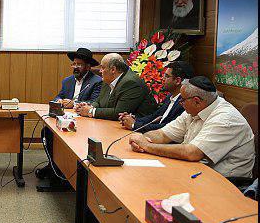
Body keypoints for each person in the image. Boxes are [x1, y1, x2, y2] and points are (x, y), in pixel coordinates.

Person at [129, 76, 255, 179]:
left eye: (182, 100)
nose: (180, 104)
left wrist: (147, 146)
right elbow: (163, 134)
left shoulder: (226, 119)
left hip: (226, 183)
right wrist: (143, 139)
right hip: (196, 171)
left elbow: (192, 153)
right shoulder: (193, 110)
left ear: (197, 101)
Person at [36, 48, 102, 180]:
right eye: (74, 64)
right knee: (47, 132)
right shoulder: (67, 81)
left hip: (85, 123)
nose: (75, 67)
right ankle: (53, 165)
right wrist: (59, 101)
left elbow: (96, 102)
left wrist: (75, 104)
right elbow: (58, 96)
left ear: (88, 66)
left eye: (79, 64)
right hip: (65, 120)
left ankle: (68, 171)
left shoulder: (97, 81)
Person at [75, 53, 158, 120]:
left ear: (113, 69)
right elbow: (99, 101)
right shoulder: (108, 79)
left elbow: (119, 112)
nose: (100, 71)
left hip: (141, 127)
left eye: (103, 68)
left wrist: (91, 111)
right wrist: (89, 106)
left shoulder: (130, 83)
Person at [118, 61, 194, 133]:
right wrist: (132, 119)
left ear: (177, 81)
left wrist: (134, 125)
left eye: (166, 76)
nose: (163, 79)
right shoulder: (170, 97)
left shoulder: (184, 103)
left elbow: (167, 128)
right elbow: (154, 117)